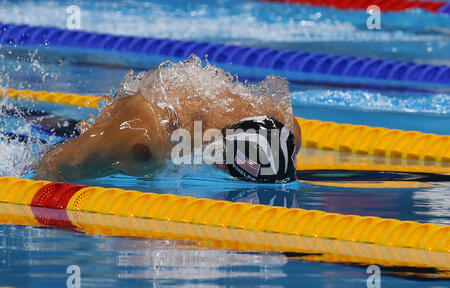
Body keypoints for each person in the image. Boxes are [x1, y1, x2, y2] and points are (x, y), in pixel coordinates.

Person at [35, 55, 301, 183]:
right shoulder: (142, 142)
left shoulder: (282, 125)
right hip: (127, 124)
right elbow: (50, 169)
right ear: (221, 161)